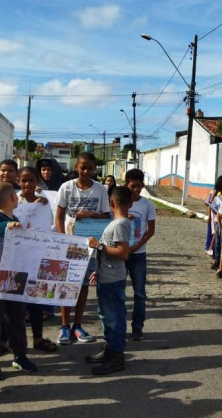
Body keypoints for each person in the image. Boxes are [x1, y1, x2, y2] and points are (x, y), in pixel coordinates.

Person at [0, 182, 37, 380]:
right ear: (12, 198)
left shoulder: (13, 218)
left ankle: (20, 355)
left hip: (15, 277)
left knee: (17, 318)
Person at [54, 152, 109, 345]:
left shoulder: (101, 189)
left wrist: (90, 214)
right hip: (69, 244)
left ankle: (77, 325)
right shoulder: (66, 188)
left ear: (94, 169)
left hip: (89, 245)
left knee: (83, 285)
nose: (86, 171)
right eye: (82, 167)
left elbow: (106, 216)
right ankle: (64, 326)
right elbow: (59, 216)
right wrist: (62, 240)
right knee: (67, 285)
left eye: (90, 168)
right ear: (76, 167)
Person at [84, 186, 133, 375]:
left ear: (111, 203)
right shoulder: (118, 223)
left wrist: (99, 246)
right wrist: (99, 270)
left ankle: (117, 357)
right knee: (106, 316)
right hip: (107, 276)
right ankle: (110, 350)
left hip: (114, 280)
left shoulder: (120, 224)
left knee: (114, 317)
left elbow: (122, 253)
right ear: (129, 203)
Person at [17, 168, 55, 352]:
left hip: (38, 256)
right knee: (16, 304)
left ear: (36, 182)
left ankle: (38, 338)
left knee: (36, 301)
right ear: (18, 182)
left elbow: (49, 226)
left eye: (31, 180)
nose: (27, 185)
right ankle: (17, 342)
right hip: (17, 258)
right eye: (23, 181)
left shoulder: (44, 203)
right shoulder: (14, 201)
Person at [124, 169, 157, 341]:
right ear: (126, 185)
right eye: (132, 186)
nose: (136, 189)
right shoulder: (119, 202)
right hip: (120, 253)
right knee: (118, 292)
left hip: (138, 255)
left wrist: (135, 247)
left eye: (139, 186)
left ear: (143, 185)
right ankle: (119, 327)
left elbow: (150, 231)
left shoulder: (147, 205)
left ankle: (137, 327)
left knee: (139, 293)